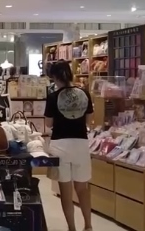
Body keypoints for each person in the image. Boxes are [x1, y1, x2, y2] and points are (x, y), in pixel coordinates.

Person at [44, 60, 94, 231]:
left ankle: (72, 228)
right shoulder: (84, 93)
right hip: (81, 144)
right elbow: (88, 121)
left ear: (54, 77)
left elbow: (48, 123)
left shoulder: (53, 97)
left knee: (65, 191)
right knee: (82, 188)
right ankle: (88, 226)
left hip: (60, 145)